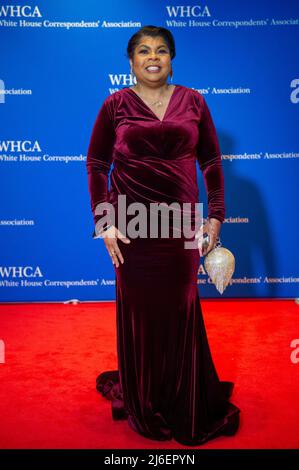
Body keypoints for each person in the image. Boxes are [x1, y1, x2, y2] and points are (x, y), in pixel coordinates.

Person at [86, 25, 240, 446]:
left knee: (180, 310)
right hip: (132, 225)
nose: (152, 57)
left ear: (172, 59)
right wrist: (105, 222)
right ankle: (145, 396)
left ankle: (181, 394)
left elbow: (210, 161)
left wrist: (216, 217)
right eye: (143, 51)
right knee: (140, 314)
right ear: (130, 60)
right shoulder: (114, 105)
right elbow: (97, 165)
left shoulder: (194, 101)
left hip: (182, 225)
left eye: (161, 51)